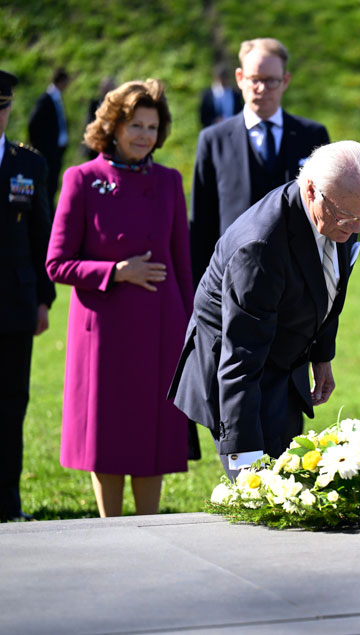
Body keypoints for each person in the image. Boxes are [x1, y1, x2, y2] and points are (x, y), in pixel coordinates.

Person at [169, 140, 360, 479]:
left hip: (284, 357)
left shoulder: (339, 211)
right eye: (347, 216)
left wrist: (321, 354)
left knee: (292, 476)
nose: (356, 228)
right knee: (266, 493)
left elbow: (327, 285)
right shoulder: (261, 247)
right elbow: (239, 362)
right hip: (237, 374)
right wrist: (246, 467)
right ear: (311, 190)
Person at [46, 79, 193, 517]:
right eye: (135, 126)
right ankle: (109, 531)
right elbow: (56, 264)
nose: (145, 135)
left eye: (152, 127)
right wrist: (115, 273)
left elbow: (183, 263)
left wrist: (190, 328)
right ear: (112, 126)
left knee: (152, 437)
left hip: (161, 330)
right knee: (107, 438)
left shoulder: (169, 182)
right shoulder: (82, 180)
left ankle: (149, 528)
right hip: (103, 335)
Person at [190, 37, 330, 287]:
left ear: (285, 81)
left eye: (271, 81)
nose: (262, 89)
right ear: (240, 78)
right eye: (255, 79)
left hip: (298, 282)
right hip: (233, 280)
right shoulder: (213, 141)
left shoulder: (314, 136)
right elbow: (202, 224)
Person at [0, 70, 56, 523]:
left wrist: (43, 299)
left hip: (14, 306)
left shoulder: (28, 165)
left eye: (1, 107)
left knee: (11, 404)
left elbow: (42, 237)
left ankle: (7, 502)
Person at [28, 67, 71, 211]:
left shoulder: (57, 98)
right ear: (61, 81)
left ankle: (49, 214)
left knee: (53, 186)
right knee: (47, 186)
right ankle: (46, 215)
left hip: (56, 151)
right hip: (48, 153)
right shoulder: (46, 99)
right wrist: (41, 148)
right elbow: (33, 125)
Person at [82, 76, 117, 160]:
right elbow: (89, 122)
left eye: (109, 88)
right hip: (95, 145)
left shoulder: (116, 107)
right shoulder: (94, 104)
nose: (107, 91)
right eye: (105, 88)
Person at [199, 63, 242, 128]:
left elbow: (239, 113)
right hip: (213, 129)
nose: (223, 81)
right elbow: (203, 117)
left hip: (231, 128)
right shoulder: (207, 95)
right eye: (221, 78)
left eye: (225, 78)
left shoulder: (235, 94)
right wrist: (214, 121)